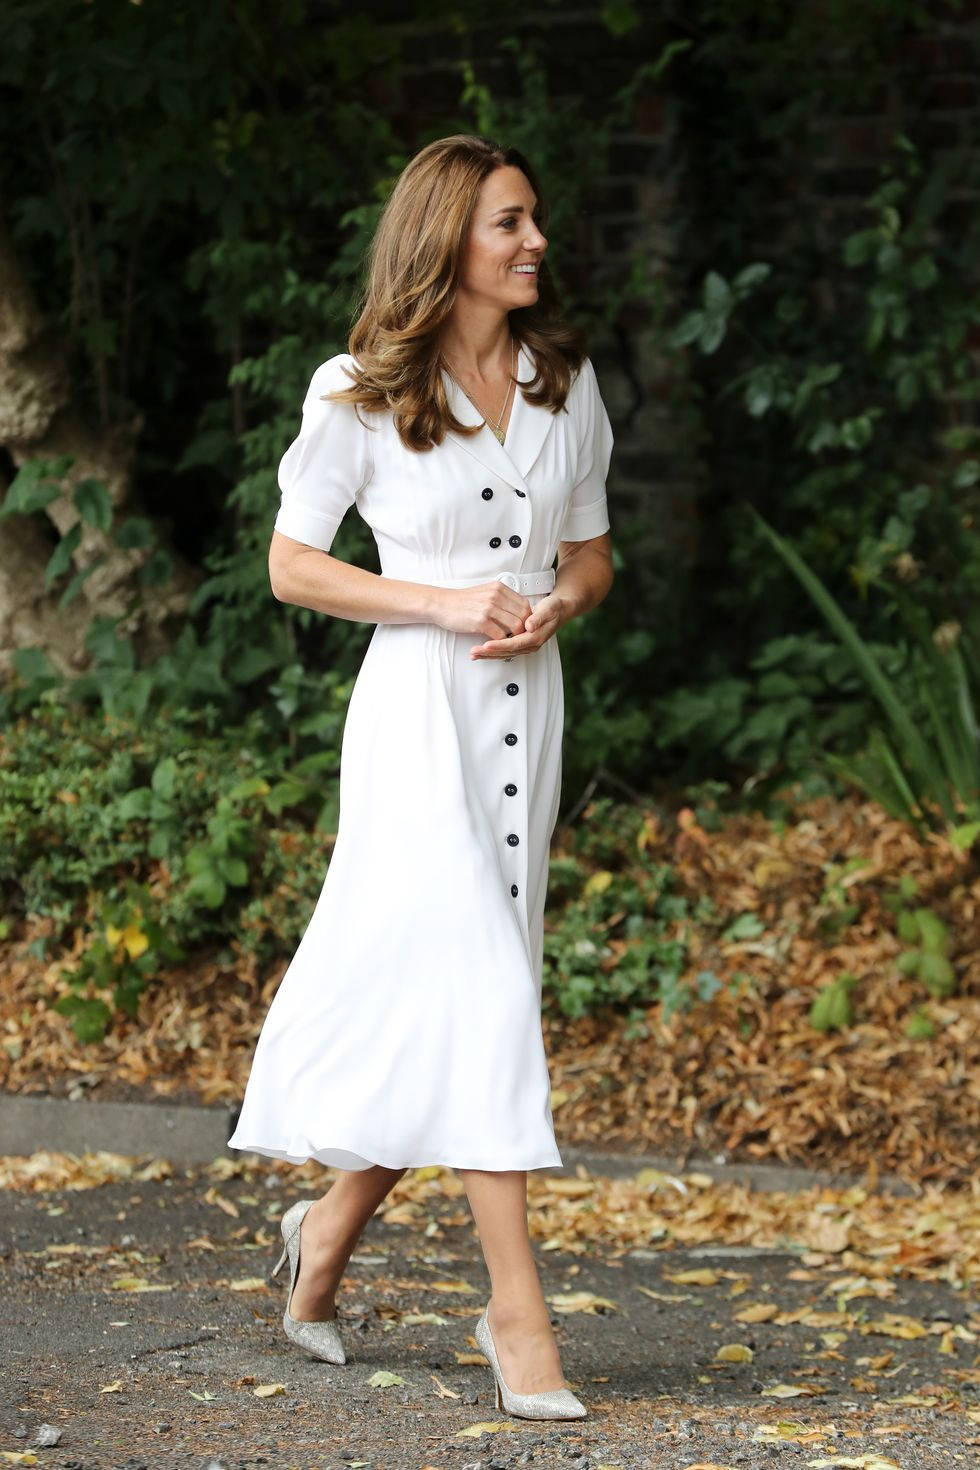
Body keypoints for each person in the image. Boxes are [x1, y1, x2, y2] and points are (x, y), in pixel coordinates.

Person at [227, 133, 614, 1422]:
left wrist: (559, 601)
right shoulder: (358, 391)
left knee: (460, 1001)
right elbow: (291, 565)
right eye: (510, 221)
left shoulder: (565, 384)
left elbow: (593, 554)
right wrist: (445, 601)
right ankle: (517, 1315)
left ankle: (323, 1235)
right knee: (482, 989)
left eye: (534, 218)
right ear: (448, 237)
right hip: (414, 718)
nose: (535, 240)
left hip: (524, 715)